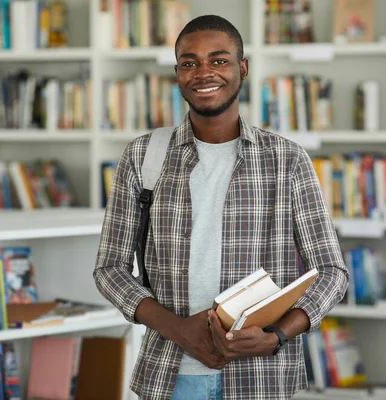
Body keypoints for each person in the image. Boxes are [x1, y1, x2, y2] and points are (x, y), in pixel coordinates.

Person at [93, 14, 349, 400]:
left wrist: (277, 335)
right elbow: (109, 269)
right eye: (189, 62)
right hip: (171, 375)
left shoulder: (286, 160)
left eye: (219, 60)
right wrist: (177, 328)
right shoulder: (143, 156)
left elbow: (332, 272)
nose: (203, 73)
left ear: (242, 68)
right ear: (178, 72)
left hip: (261, 378)